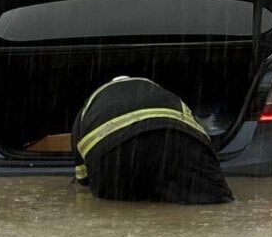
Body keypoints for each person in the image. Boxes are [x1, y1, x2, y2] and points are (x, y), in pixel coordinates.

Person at [72, 76, 234, 204]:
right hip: (177, 144)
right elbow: (201, 138)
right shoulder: (168, 96)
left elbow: (83, 178)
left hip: (116, 157)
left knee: (122, 208)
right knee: (216, 202)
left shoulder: (87, 108)